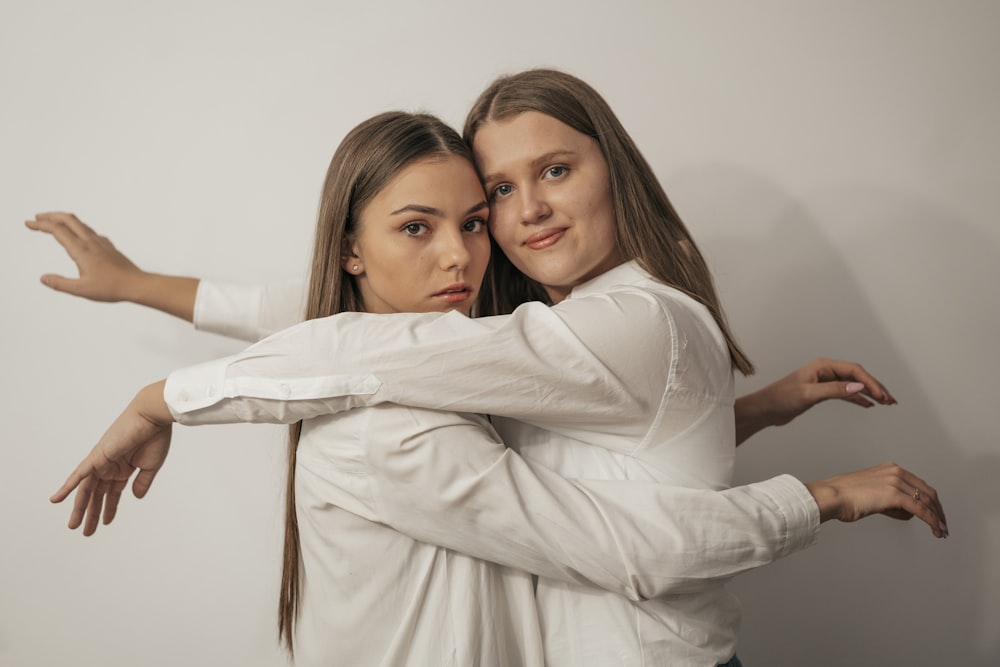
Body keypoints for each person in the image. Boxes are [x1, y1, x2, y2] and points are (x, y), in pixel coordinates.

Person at [41, 69, 946, 667]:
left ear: (614, 169)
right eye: (501, 193)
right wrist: (137, 286)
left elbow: (353, 334)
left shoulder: (597, 327)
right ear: (352, 254)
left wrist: (165, 396)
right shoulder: (409, 404)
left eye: (551, 170)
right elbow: (320, 314)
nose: (512, 222)